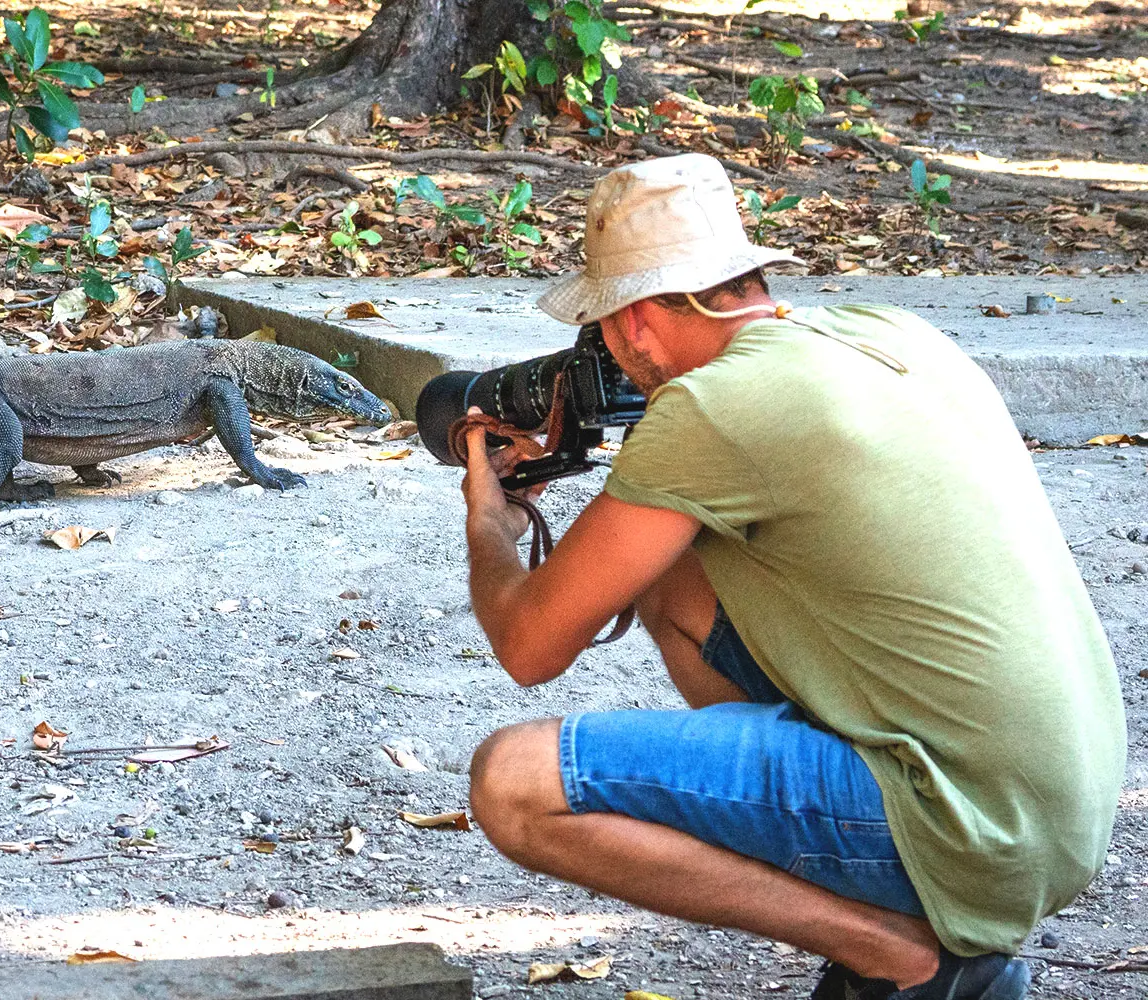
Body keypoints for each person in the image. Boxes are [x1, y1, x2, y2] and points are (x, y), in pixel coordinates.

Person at [460, 153, 1124, 1000]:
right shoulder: (891, 331)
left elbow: (528, 646)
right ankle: (865, 874)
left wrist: (492, 522)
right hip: (1059, 808)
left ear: (630, 325)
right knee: (673, 584)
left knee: (514, 783)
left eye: (606, 331)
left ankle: (903, 956)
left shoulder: (713, 409)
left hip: (963, 826)